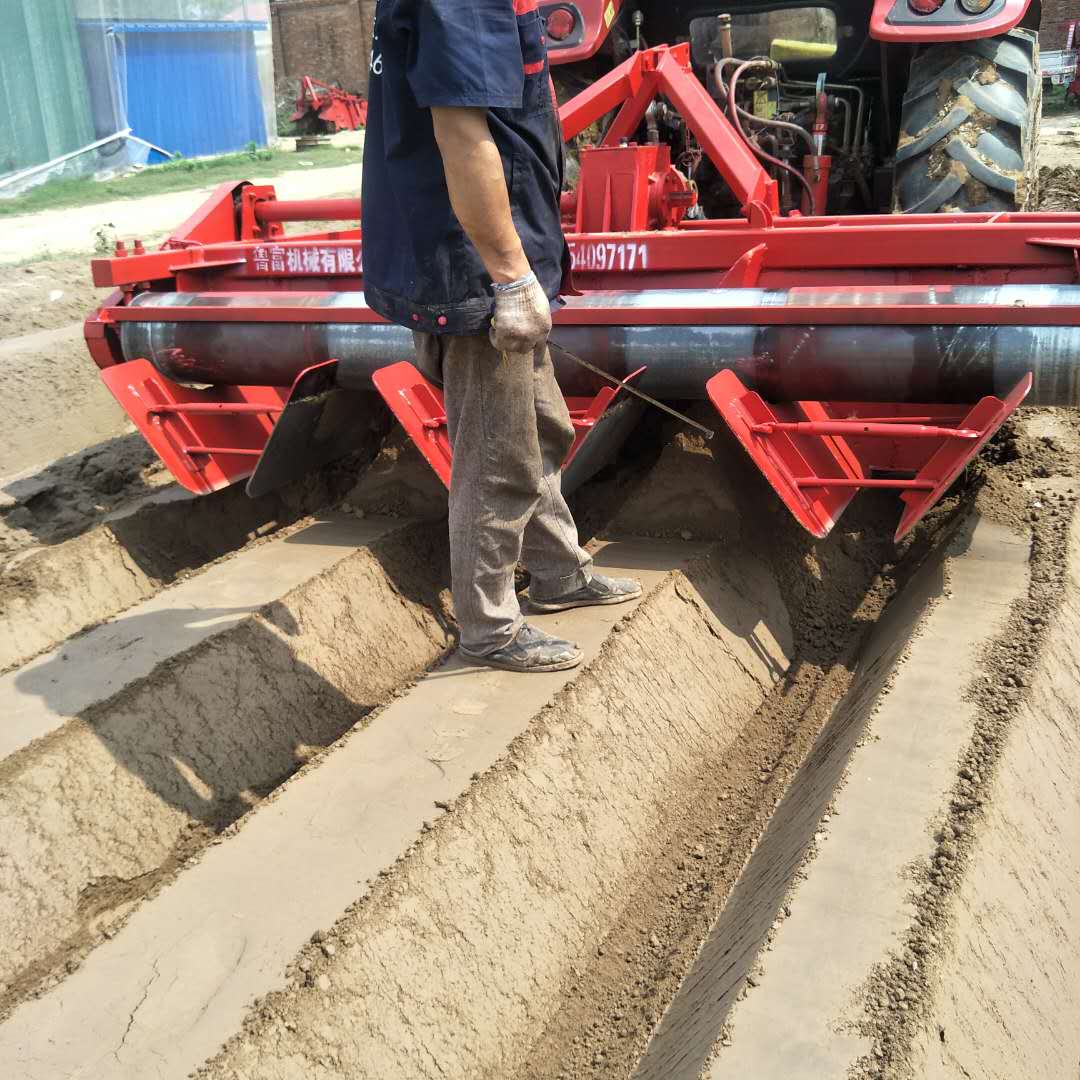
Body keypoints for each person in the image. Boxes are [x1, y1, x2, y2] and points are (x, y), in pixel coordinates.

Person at [361, 0, 641, 673]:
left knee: (540, 427)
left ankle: (557, 572)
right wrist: (511, 279)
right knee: (499, 456)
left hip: (498, 249)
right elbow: (461, 133)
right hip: (478, 264)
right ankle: (488, 628)